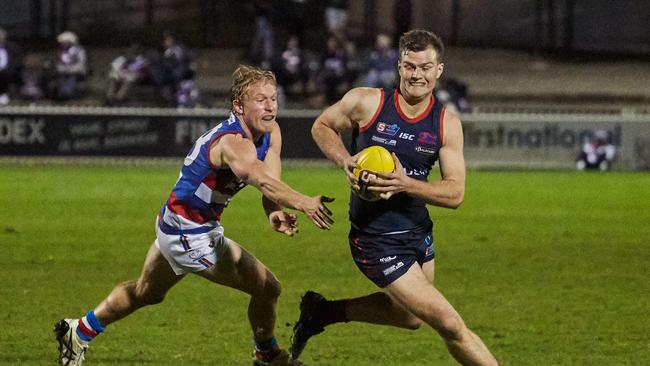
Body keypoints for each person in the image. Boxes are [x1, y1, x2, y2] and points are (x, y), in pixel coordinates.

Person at [54, 65, 334, 366]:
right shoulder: (232, 143)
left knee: (146, 292)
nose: (270, 106)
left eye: (273, 98)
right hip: (190, 234)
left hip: (175, 224)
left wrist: (274, 209)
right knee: (267, 288)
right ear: (238, 106)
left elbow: (270, 181)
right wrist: (304, 202)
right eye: (261, 100)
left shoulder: (271, 132)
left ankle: (78, 330)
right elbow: (260, 179)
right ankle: (267, 356)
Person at [291, 29, 499, 365]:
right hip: (376, 239)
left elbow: (455, 192)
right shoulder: (366, 102)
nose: (418, 74)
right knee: (449, 324)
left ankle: (322, 312)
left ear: (439, 70)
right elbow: (322, 126)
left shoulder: (446, 124)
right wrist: (345, 161)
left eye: (426, 67)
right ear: (399, 67)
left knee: (409, 317)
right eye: (410, 66)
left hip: (417, 231)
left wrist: (404, 184)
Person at [54, 31, 87, 100]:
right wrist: (61, 69)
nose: (63, 44)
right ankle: (62, 94)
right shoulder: (61, 51)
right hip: (63, 72)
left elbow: (81, 64)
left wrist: (70, 69)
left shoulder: (79, 51)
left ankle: (69, 94)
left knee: (70, 78)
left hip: (76, 73)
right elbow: (58, 64)